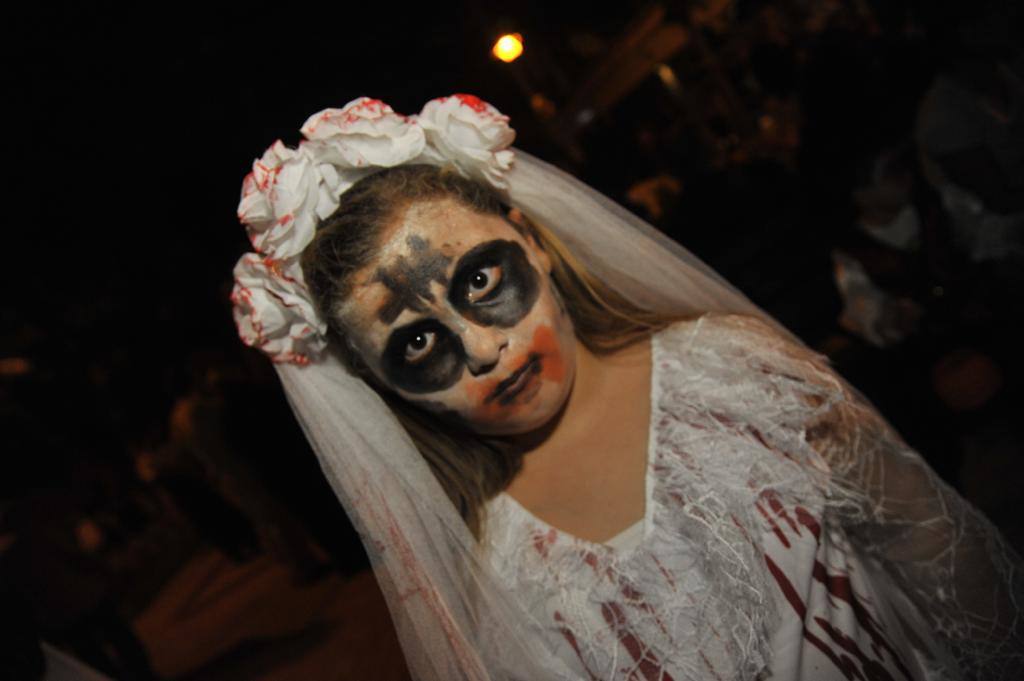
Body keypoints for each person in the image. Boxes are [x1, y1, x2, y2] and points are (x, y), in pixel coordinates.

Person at [230, 95, 1023, 680]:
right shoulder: (499, 575)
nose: (481, 349)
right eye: (416, 342)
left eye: (478, 278)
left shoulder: (735, 373)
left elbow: (925, 538)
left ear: (532, 241)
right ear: (381, 383)